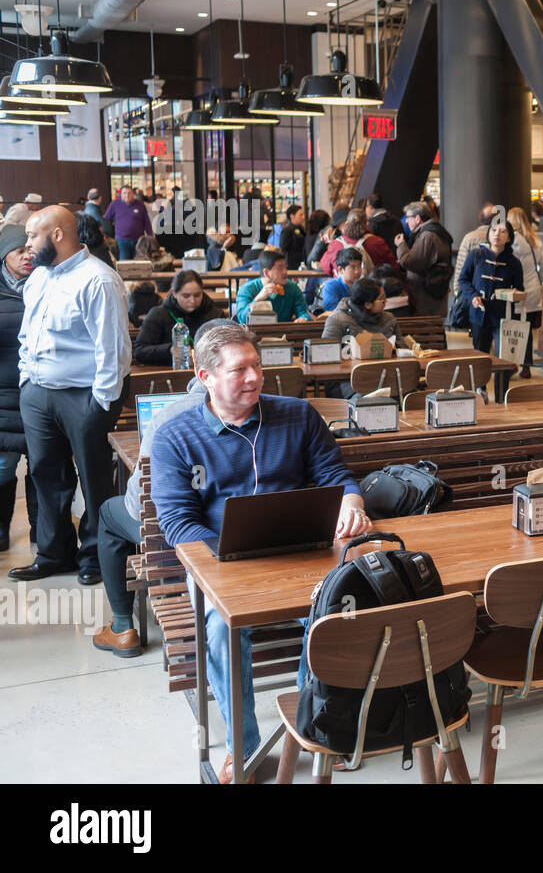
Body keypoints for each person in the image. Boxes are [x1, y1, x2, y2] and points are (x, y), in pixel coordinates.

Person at [149, 323, 370, 782]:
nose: (253, 378)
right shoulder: (176, 436)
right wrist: (229, 553)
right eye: (239, 370)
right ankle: (244, 747)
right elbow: (177, 524)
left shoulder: (297, 414)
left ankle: (317, 725)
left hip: (302, 552)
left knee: (338, 611)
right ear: (205, 376)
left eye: (257, 366)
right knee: (217, 629)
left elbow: (336, 474)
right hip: (220, 562)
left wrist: (350, 501)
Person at [91, 318, 234, 659]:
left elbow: (140, 498)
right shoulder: (280, 411)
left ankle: (124, 627)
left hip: (183, 541)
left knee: (109, 514)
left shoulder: (170, 418)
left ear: (196, 363)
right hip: (248, 536)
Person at [8, 206, 131, 585]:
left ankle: (95, 556)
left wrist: (100, 404)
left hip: (84, 396)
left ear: (57, 235)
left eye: (32, 236)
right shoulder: (39, 278)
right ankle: (53, 554)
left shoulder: (98, 280)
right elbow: (28, 335)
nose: (27, 246)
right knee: (46, 475)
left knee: (93, 478)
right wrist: (28, 381)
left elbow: (113, 351)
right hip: (39, 393)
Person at [0, 225, 36, 552]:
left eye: (29, 249)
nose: (27, 256)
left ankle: (46, 533)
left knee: (44, 467)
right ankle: (1, 532)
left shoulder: (47, 284)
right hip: (3, 397)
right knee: (1, 468)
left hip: (41, 393)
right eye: (18, 251)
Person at [459, 216, 525, 361]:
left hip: (503, 315)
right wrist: (473, 296)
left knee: (503, 357)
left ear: (509, 238)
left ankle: (502, 384)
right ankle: (479, 384)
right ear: (488, 233)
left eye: (502, 232)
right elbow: (463, 279)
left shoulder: (514, 263)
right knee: (480, 357)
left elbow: (519, 288)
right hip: (479, 312)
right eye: (494, 230)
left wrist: (514, 294)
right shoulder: (476, 255)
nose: (497, 234)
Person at [133, 269, 224, 365]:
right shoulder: (159, 314)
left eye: (197, 295)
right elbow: (139, 351)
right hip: (169, 373)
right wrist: (170, 350)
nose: (192, 300)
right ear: (174, 294)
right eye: (186, 296)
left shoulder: (215, 314)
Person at [507, 206, 543, 378]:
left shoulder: (511, 242)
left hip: (515, 291)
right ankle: (526, 366)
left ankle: (511, 363)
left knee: (512, 328)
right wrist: (537, 280)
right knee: (527, 329)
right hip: (533, 290)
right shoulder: (536, 240)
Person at [397, 201, 454, 317]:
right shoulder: (437, 231)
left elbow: (411, 262)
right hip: (435, 294)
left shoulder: (427, 236)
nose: (406, 221)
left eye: (408, 217)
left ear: (417, 219)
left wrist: (401, 245)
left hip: (425, 297)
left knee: (427, 330)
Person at [449, 202, 500, 330]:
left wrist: (458, 291)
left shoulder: (470, 238)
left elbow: (460, 267)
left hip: (473, 293)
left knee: (478, 332)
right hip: (496, 294)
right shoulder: (502, 239)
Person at [234, 249, 310, 323]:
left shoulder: (292, 287)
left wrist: (303, 319)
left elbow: (303, 312)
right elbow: (242, 319)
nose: (285, 272)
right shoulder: (246, 289)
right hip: (254, 334)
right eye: (280, 268)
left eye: (285, 267)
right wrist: (258, 299)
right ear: (266, 272)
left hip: (284, 333)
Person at [319, 209, 396, 276]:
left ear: (347, 223)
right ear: (367, 224)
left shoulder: (335, 245)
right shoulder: (377, 243)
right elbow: (393, 268)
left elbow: (326, 268)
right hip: (372, 290)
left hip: (343, 291)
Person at [321, 277, 398, 343]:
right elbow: (328, 353)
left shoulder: (389, 319)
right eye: (382, 299)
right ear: (368, 304)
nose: (386, 301)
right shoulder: (337, 321)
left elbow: (402, 349)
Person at [103, 186, 154, 261]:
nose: (127, 195)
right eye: (124, 193)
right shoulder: (114, 204)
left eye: (129, 193)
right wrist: (106, 234)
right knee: (124, 265)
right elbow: (106, 219)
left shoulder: (140, 205)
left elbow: (146, 221)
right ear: (121, 194)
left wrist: (150, 236)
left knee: (139, 264)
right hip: (121, 241)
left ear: (133, 194)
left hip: (139, 241)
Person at [316, 247, 364, 313]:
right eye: (353, 267)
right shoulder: (331, 286)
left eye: (359, 266)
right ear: (340, 270)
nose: (357, 271)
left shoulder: (362, 286)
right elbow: (333, 313)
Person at [278, 204, 308, 270]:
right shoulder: (287, 230)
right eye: (300, 215)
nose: (303, 217)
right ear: (292, 216)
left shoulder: (302, 228)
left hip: (302, 263)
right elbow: (283, 249)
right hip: (291, 266)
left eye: (303, 214)